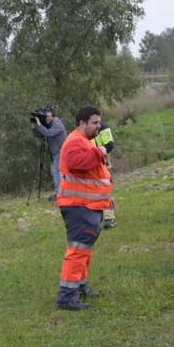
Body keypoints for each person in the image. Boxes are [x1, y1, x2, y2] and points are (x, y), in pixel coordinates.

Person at [55, 105, 113, 311]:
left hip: (89, 206)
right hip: (78, 207)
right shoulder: (75, 142)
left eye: (100, 122)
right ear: (82, 123)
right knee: (78, 251)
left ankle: (79, 287)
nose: (99, 127)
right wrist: (100, 152)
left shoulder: (84, 141)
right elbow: (76, 162)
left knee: (84, 251)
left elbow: (92, 176)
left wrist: (106, 198)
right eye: (95, 123)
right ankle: (66, 297)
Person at [32, 107, 67, 201]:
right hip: (55, 153)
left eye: (48, 117)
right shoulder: (49, 123)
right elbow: (39, 135)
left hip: (61, 152)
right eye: (45, 117)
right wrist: (36, 126)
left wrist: (40, 125)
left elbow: (48, 133)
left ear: (53, 116)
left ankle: (59, 194)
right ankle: (60, 193)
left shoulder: (57, 124)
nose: (46, 118)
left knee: (57, 173)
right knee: (55, 172)